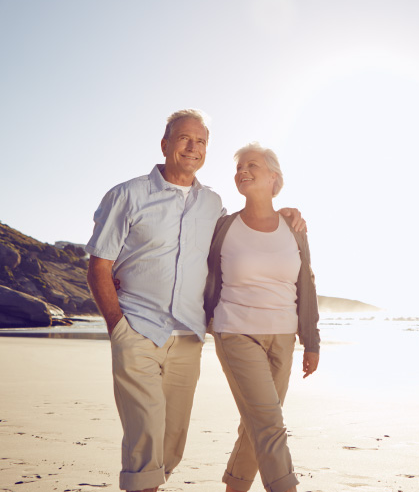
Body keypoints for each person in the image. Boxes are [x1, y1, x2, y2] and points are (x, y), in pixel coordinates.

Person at [85, 110, 304, 492]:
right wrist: (117, 326)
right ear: (165, 144)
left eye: (201, 141)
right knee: (145, 432)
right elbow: (99, 265)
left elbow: (243, 230)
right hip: (136, 327)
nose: (193, 147)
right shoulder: (128, 194)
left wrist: (281, 212)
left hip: (187, 334)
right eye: (185, 138)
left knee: (173, 439)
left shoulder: (213, 205)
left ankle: (154, 479)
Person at [204, 142, 320, 492]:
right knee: (269, 423)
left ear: (274, 176)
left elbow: (306, 283)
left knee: (255, 423)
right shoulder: (223, 227)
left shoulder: (294, 228)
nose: (243, 171)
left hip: (283, 337)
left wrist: (311, 341)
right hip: (235, 331)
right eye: (239, 168)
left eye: (252, 165)